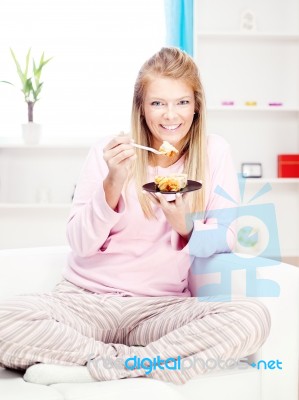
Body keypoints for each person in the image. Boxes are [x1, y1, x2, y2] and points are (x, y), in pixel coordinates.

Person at [0, 47, 270, 385]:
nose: (170, 116)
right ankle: (131, 364)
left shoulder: (214, 153)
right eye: (157, 103)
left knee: (251, 318)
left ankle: (87, 367)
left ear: (197, 105)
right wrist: (112, 183)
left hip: (160, 308)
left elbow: (228, 236)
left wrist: (184, 225)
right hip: (86, 301)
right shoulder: (109, 154)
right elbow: (80, 244)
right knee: (4, 320)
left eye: (181, 102)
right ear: (141, 108)